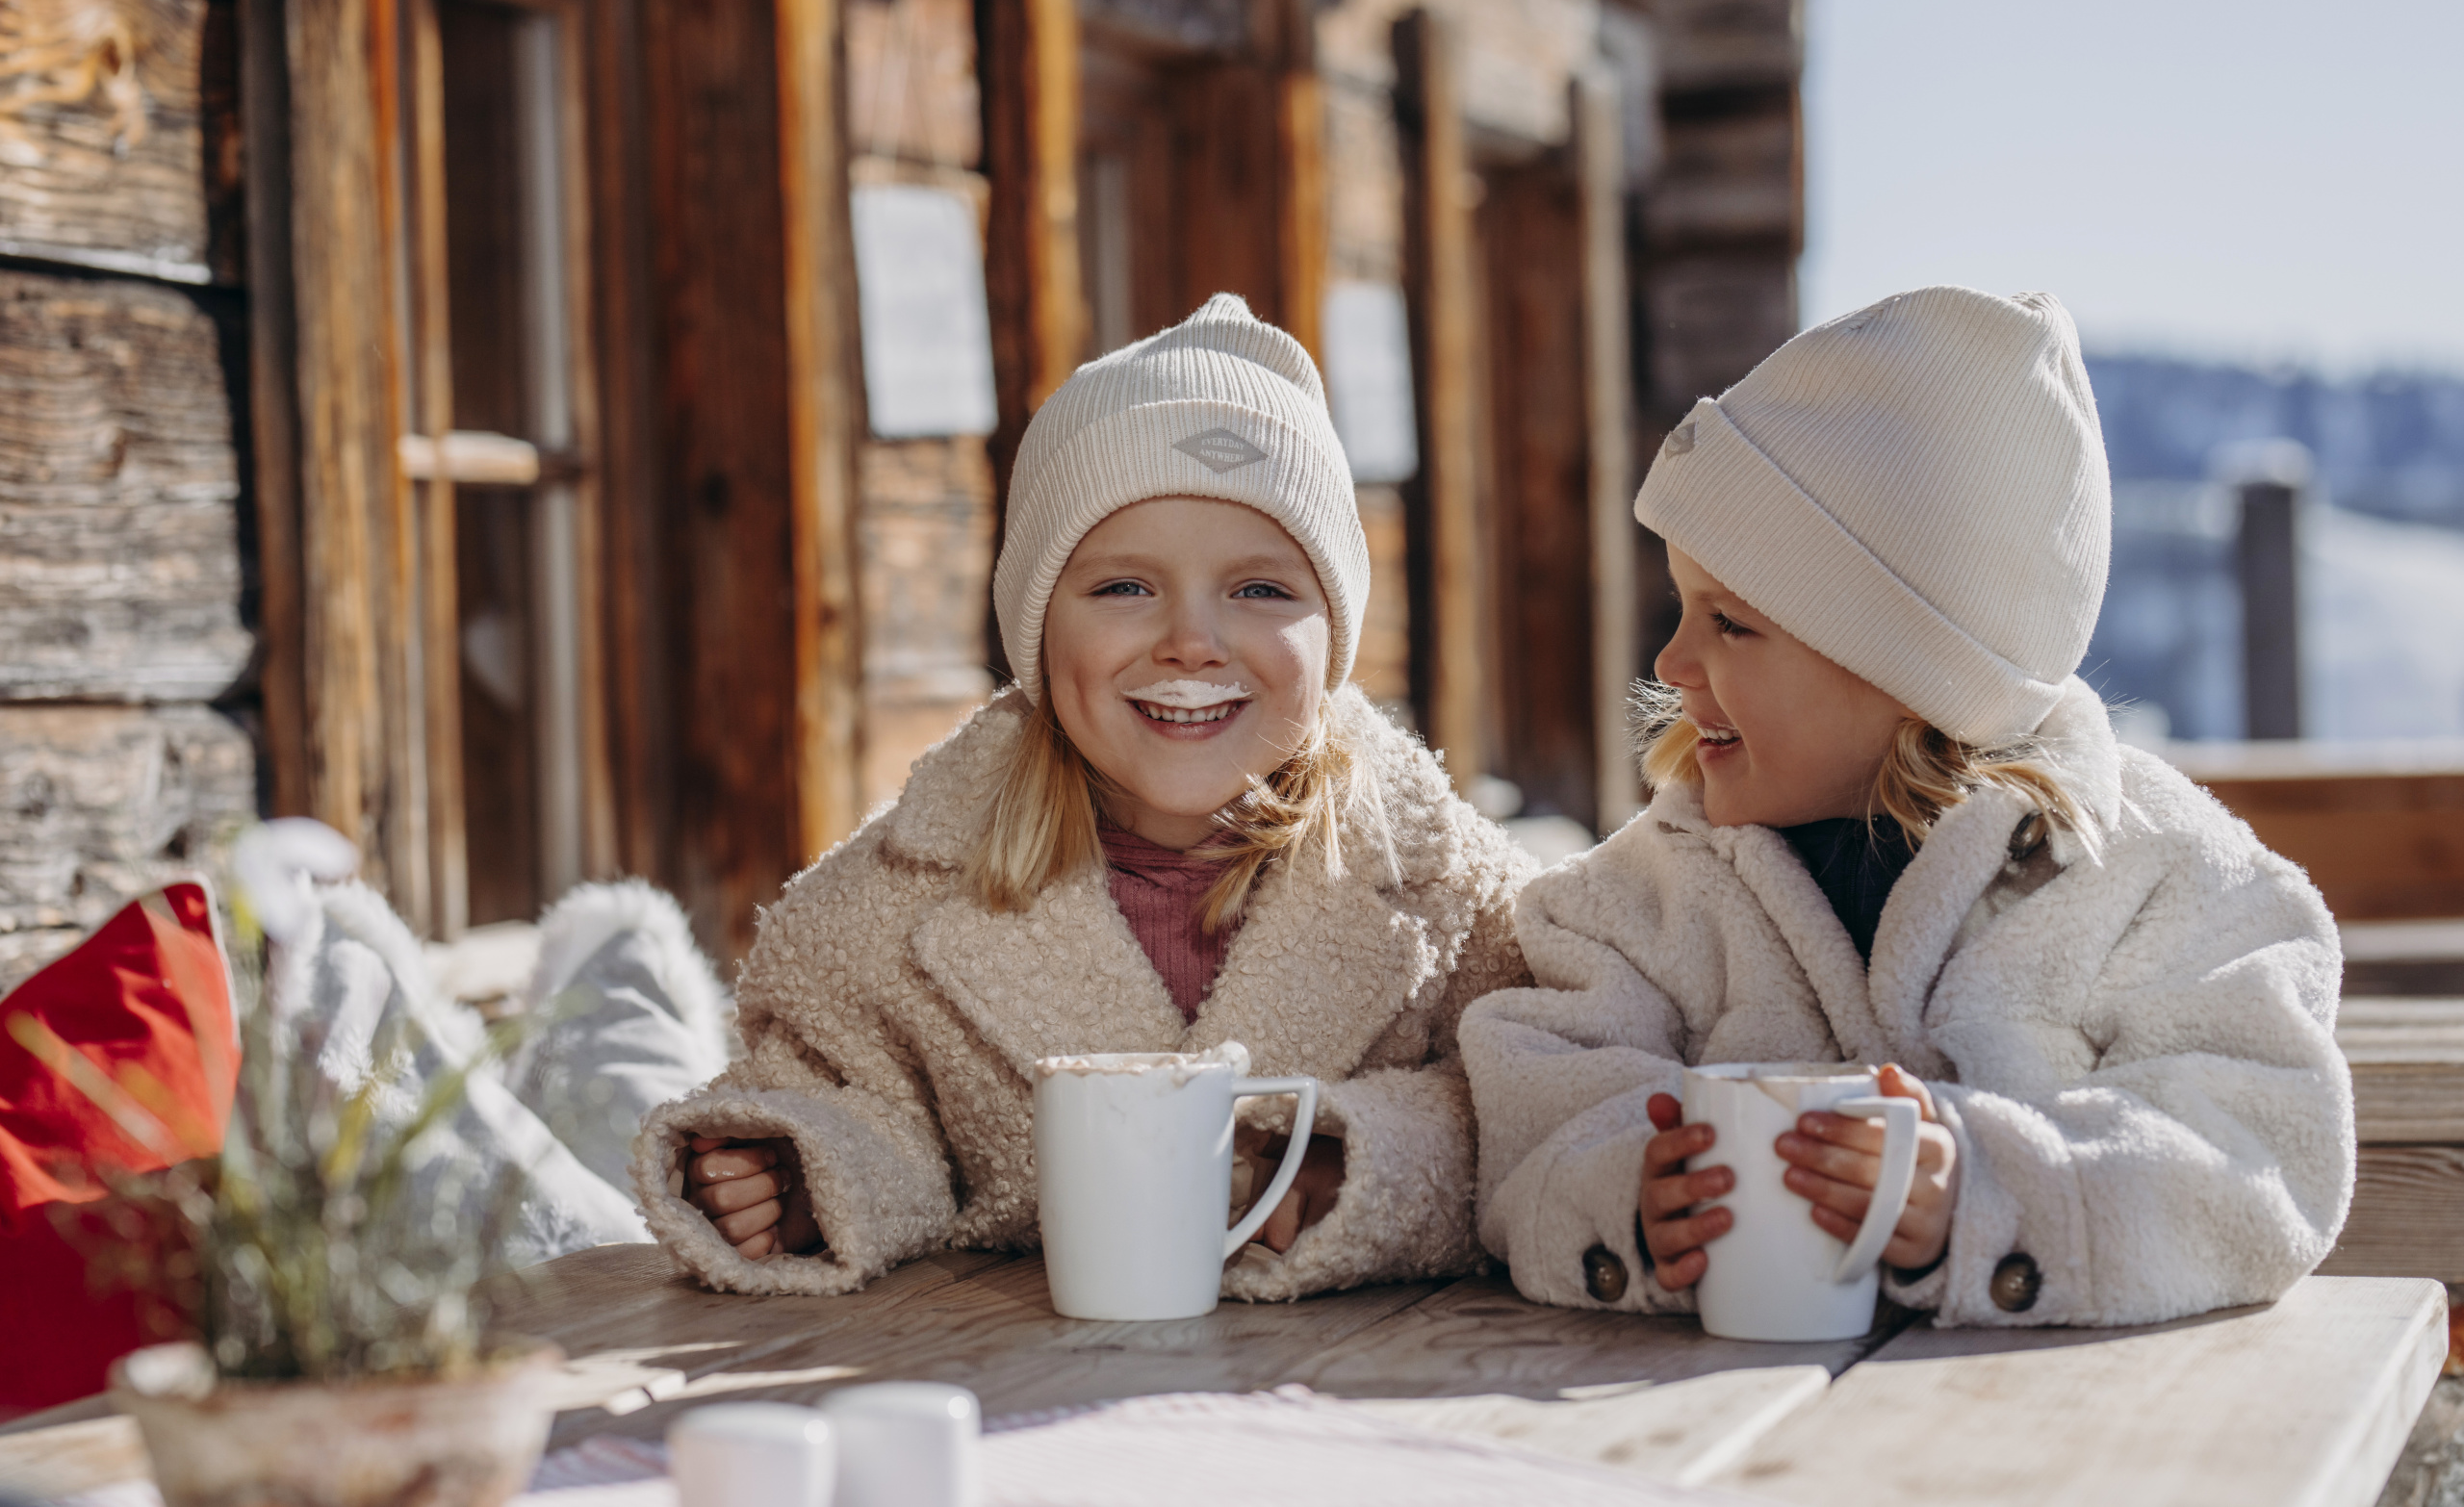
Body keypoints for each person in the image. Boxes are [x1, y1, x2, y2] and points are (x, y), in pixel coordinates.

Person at [1462, 286, 2353, 1328]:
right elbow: (1529, 1119)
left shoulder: (2163, 885)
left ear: (1904, 669)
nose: (1670, 662)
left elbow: (2257, 1156)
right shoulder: (1637, 901)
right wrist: (1626, 1200)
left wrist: (1988, 1194)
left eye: (1732, 625)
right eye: (1679, 607)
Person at [634, 294, 1532, 1301]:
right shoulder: (881, 917)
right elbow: (854, 1100)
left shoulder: (1459, 895)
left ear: (1333, 636)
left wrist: (1355, 1161)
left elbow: (1538, 1106)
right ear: (1034, 634)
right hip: (1013, 1394)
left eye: (1260, 590)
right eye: (1122, 589)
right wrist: (805, 1176)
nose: (1190, 642)